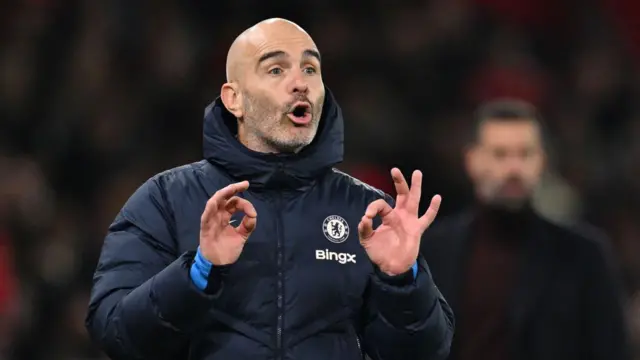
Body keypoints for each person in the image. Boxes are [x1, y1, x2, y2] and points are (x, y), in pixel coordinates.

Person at [85, 18, 454, 360]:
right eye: (276, 69)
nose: (300, 83)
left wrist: (403, 282)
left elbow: (425, 352)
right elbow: (115, 332)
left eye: (310, 69)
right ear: (234, 99)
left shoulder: (370, 212)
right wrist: (198, 271)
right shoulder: (165, 199)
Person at [420, 99, 630, 360]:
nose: (514, 168)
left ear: (541, 162)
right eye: (500, 154)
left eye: (525, 154)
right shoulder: (434, 249)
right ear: (472, 161)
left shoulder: (585, 256)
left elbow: (611, 350)